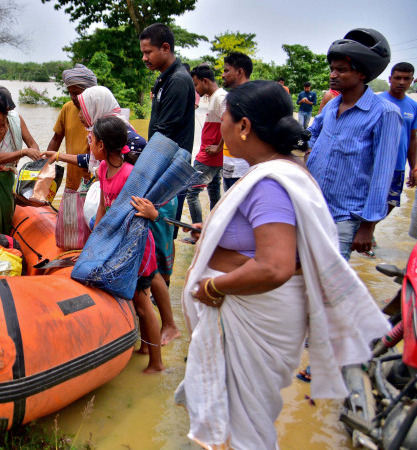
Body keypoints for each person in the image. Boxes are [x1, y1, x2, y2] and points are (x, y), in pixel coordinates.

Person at [175, 80, 390, 449]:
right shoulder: (281, 170)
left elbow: (274, 266)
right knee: (243, 419)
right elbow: (275, 243)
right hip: (261, 316)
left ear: (243, 127)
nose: (220, 125)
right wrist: (214, 231)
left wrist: (211, 287)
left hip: (257, 316)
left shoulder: (269, 183)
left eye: (225, 118)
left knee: (245, 429)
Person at [51, 86, 181, 346]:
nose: (79, 116)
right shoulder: (107, 148)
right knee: (149, 277)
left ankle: (168, 326)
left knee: (151, 274)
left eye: (82, 108)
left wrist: (151, 214)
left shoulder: (123, 143)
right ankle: (154, 333)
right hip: (128, 211)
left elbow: (139, 191)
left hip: (150, 205)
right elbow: (99, 180)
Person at [307, 28, 401, 260]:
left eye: (342, 70)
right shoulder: (330, 106)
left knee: (329, 284)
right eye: (332, 69)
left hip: (345, 217)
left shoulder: (385, 113)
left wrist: (368, 225)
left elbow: (382, 173)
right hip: (312, 209)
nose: (333, 75)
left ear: (362, 75)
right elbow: (310, 135)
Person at [90, 116, 164, 373]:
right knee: (135, 301)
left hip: (138, 250)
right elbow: (102, 206)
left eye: (91, 139)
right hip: (118, 245)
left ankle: (157, 363)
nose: (88, 142)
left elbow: (145, 216)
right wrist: (95, 242)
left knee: (143, 305)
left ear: (101, 145)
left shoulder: (129, 176)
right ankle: (144, 348)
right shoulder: (102, 169)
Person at [139, 23, 196, 239]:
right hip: (161, 165)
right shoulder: (164, 79)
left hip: (170, 170)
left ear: (165, 48)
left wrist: (140, 163)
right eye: (143, 53)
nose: (144, 58)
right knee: (153, 231)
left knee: (163, 233)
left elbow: (165, 134)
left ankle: (165, 273)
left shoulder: (178, 81)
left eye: (148, 52)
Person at [0, 89, 41, 234]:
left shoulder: (16, 120)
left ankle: (5, 247)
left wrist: (35, 154)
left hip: (7, 174)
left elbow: (32, 144)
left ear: (7, 111)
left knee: (7, 213)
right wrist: (24, 152)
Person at [186, 65, 227, 228]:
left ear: (205, 81)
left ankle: (197, 229)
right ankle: (212, 228)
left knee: (192, 192)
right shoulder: (214, 97)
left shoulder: (220, 97)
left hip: (209, 156)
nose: (196, 90)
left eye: (196, 85)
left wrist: (218, 147)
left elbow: (229, 121)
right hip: (213, 156)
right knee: (214, 190)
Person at [45, 64, 98, 190]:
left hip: (94, 181)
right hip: (73, 179)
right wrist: (45, 165)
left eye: (76, 93)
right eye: (70, 93)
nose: (73, 97)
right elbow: (56, 139)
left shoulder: (100, 111)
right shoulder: (67, 108)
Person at [380, 62, 417, 207]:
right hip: (376, 165)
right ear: (390, 79)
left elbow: (412, 139)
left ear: (412, 80)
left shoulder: (413, 106)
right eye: (398, 78)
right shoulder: (377, 101)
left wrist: (414, 167)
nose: (402, 82)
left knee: (391, 204)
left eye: (406, 79)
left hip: (398, 166)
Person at [221, 52, 253, 190]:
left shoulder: (251, 97)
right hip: (228, 164)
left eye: (227, 70)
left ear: (239, 72)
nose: (223, 75)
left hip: (242, 169)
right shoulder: (231, 97)